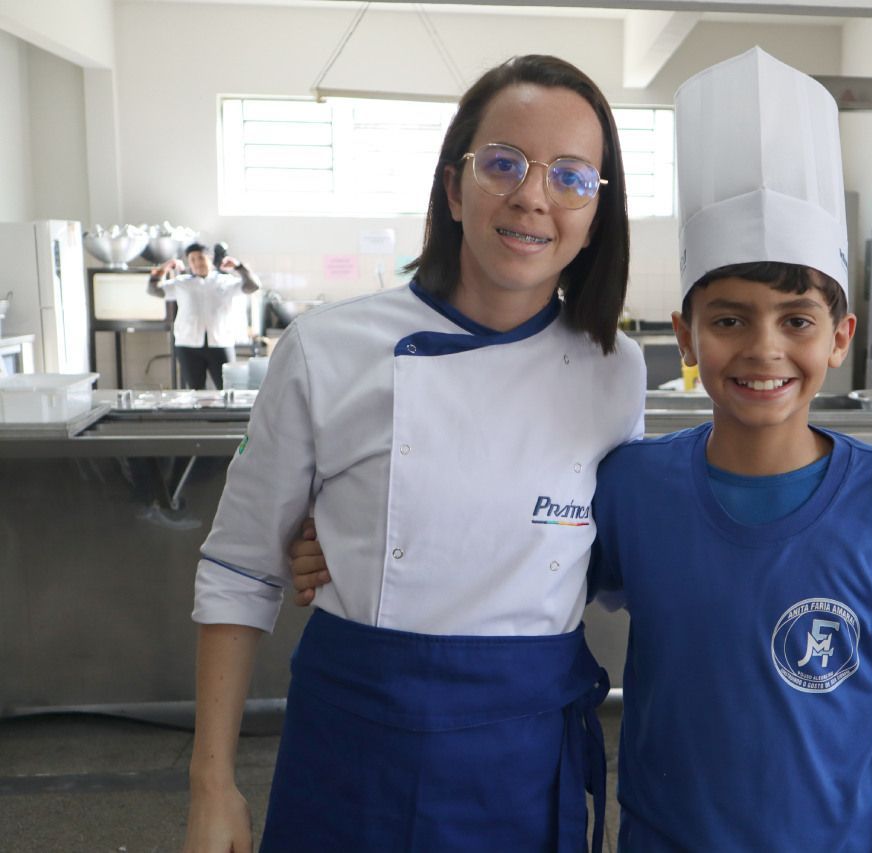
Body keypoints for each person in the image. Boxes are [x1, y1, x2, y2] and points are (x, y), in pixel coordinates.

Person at [290, 49, 872, 851]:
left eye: (797, 319)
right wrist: (346, 535)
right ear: (684, 336)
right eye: (728, 319)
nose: (764, 350)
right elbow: (513, 542)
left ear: (841, 336)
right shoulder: (638, 488)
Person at [185, 54, 644, 853]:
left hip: (526, 759)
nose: (534, 196)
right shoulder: (328, 347)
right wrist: (211, 785)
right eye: (504, 163)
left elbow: (599, 557)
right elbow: (239, 567)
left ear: (597, 212)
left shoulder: (616, 369)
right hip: (357, 742)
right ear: (452, 185)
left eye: (572, 178)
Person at [148, 242, 262, 390]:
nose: (197, 263)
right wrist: (165, 267)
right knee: (196, 391)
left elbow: (253, 286)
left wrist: (238, 266)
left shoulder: (225, 281)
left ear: (210, 258)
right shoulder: (182, 284)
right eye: (192, 259)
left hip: (220, 343)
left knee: (228, 388)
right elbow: (154, 290)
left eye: (200, 258)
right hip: (187, 345)